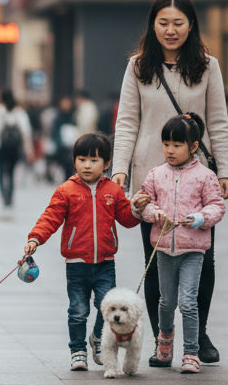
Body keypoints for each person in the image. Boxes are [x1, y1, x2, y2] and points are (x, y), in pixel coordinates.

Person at [112, 0, 228, 365]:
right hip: (152, 181)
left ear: (191, 25)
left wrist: (225, 170)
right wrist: (119, 169)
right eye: (163, 23)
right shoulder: (137, 67)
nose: (170, 30)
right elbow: (127, 122)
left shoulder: (208, 65)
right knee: (156, 260)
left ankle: (199, 335)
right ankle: (163, 339)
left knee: (202, 260)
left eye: (178, 23)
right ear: (153, 25)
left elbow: (218, 122)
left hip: (198, 180)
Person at [22, 132, 141, 371]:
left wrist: (136, 208)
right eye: (82, 159)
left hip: (106, 262)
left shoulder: (113, 191)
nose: (87, 165)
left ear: (106, 164)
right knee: (78, 310)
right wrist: (35, 238)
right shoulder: (66, 190)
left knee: (105, 306)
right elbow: (51, 217)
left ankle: (97, 338)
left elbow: (126, 219)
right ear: (74, 161)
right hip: (76, 264)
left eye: (94, 160)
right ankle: (77, 350)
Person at [131, 113, 226, 374]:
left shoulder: (205, 176)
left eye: (177, 144)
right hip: (163, 249)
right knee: (166, 302)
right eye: (166, 144)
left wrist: (199, 218)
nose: (170, 150)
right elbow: (143, 203)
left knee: (187, 302)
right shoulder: (155, 174)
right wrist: (151, 212)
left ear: (193, 147)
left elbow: (217, 206)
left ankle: (191, 352)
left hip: (193, 250)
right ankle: (165, 344)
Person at [0, 88, 32, 219]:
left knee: (0, 173)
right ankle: (10, 199)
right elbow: (26, 133)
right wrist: (29, 150)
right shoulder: (19, 113)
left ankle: (4, 198)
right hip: (14, 149)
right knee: (11, 174)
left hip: (0, 148)